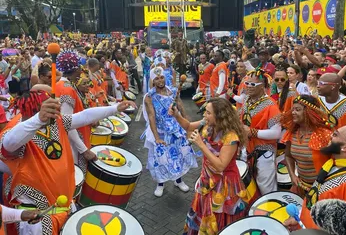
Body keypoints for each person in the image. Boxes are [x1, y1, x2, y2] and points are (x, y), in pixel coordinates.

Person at [0, 90, 133, 235]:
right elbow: (9, 144)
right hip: (37, 216)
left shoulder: (56, 122)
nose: (55, 108)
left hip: (64, 206)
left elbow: (83, 117)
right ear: (37, 108)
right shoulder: (16, 130)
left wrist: (114, 109)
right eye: (47, 105)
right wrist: (38, 119)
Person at [170, 98, 249, 235]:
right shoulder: (207, 125)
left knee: (219, 220)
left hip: (224, 185)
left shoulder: (231, 137)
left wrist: (201, 144)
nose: (204, 116)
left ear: (219, 116)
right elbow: (188, 126)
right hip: (207, 180)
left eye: (208, 113)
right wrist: (177, 114)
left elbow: (220, 166)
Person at [284, 122, 346, 234]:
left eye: (335, 135)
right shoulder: (333, 165)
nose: (330, 136)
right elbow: (317, 199)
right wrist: (300, 216)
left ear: (345, 147)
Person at [142, 67, 197, 197]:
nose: (160, 80)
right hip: (161, 132)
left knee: (178, 156)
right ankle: (160, 184)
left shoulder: (173, 91)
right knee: (161, 159)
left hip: (176, 130)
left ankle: (178, 181)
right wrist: (156, 137)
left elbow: (181, 107)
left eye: (161, 77)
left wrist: (187, 127)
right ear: (152, 81)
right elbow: (151, 117)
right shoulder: (149, 97)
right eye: (156, 78)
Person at [281, 95, 332, 197]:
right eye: (292, 109)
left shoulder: (325, 134)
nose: (293, 112)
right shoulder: (292, 132)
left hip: (324, 189)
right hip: (302, 187)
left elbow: (336, 161)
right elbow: (288, 156)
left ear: (309, 112)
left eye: (297, 110)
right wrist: (292, 175)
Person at [241, 68, 282, 194]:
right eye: (247, 83)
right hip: (247, 148)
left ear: (262, 86)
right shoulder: (247, 100)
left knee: (266, 187)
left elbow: (276, 133)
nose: (248, 86)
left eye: (253, 84)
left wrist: (252, 132)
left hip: (264, 151)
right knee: (248, 184)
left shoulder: (271, 105)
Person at [55, 50, 96, 172]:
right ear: (75, 68)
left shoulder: (60, 84)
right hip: (71, 143)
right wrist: (84, 150)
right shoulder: (67, 89)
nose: (81, 69)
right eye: (79, 66)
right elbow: (67, 123)